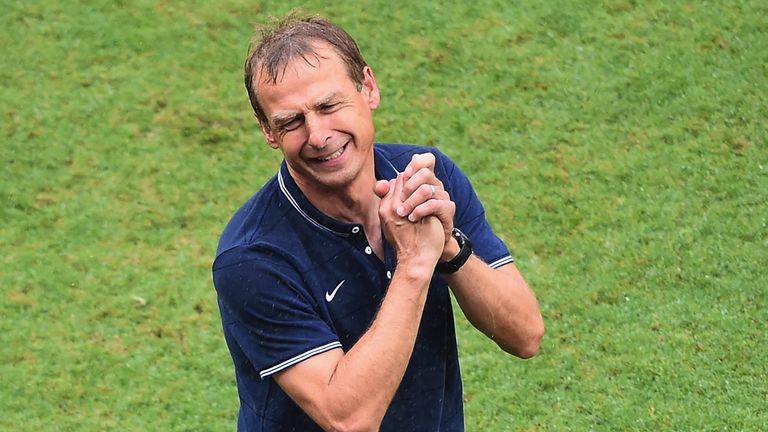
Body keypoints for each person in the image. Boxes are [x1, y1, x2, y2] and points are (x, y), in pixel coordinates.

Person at [212, 13, 544, 432]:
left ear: (367, 87)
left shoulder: (427, 176)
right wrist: (415, 263)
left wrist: (448, 248)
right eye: (291, 122)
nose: (317, 135)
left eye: (328, 106)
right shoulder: (252, 258)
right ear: (268, 131)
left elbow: (525, 336)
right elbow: (348, 419)